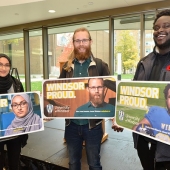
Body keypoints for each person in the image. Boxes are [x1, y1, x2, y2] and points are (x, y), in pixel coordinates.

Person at [59, 27, 113, 170]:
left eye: (84, 40)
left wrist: (115, 117)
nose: (81, 44)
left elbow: (110, 94)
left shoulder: (100, 65)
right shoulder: (66, 67)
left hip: (93, 126)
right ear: (73, 43)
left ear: (90, 41)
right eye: (78, 41)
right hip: (71, 125)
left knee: (94, 164)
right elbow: (59, 91)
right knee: (73, 163)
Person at [133, 9, 170, 170]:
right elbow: (132, 95)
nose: (160, 30)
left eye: (166, 26)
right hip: (144, 140)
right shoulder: (143, 62)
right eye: (156, 27)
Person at [0, 53, 28, 170]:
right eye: (0, 65)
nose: (3, 68)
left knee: (14, 165)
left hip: (14, 133)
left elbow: (24, 105)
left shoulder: (16, 84)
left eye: (7, 65)